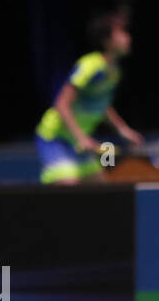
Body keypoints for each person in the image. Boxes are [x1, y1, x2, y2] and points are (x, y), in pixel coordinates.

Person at [36, 10, 144, 185]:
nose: (127, 37)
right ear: (107, 41)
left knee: (102, 188)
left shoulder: (114, 73)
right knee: (68, 183)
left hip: (79, 141)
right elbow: (62, 104)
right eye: (121, 33)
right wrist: (81, 138)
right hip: (56, 137)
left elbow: (103, 105)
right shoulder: (90, 66)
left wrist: (123, 130)